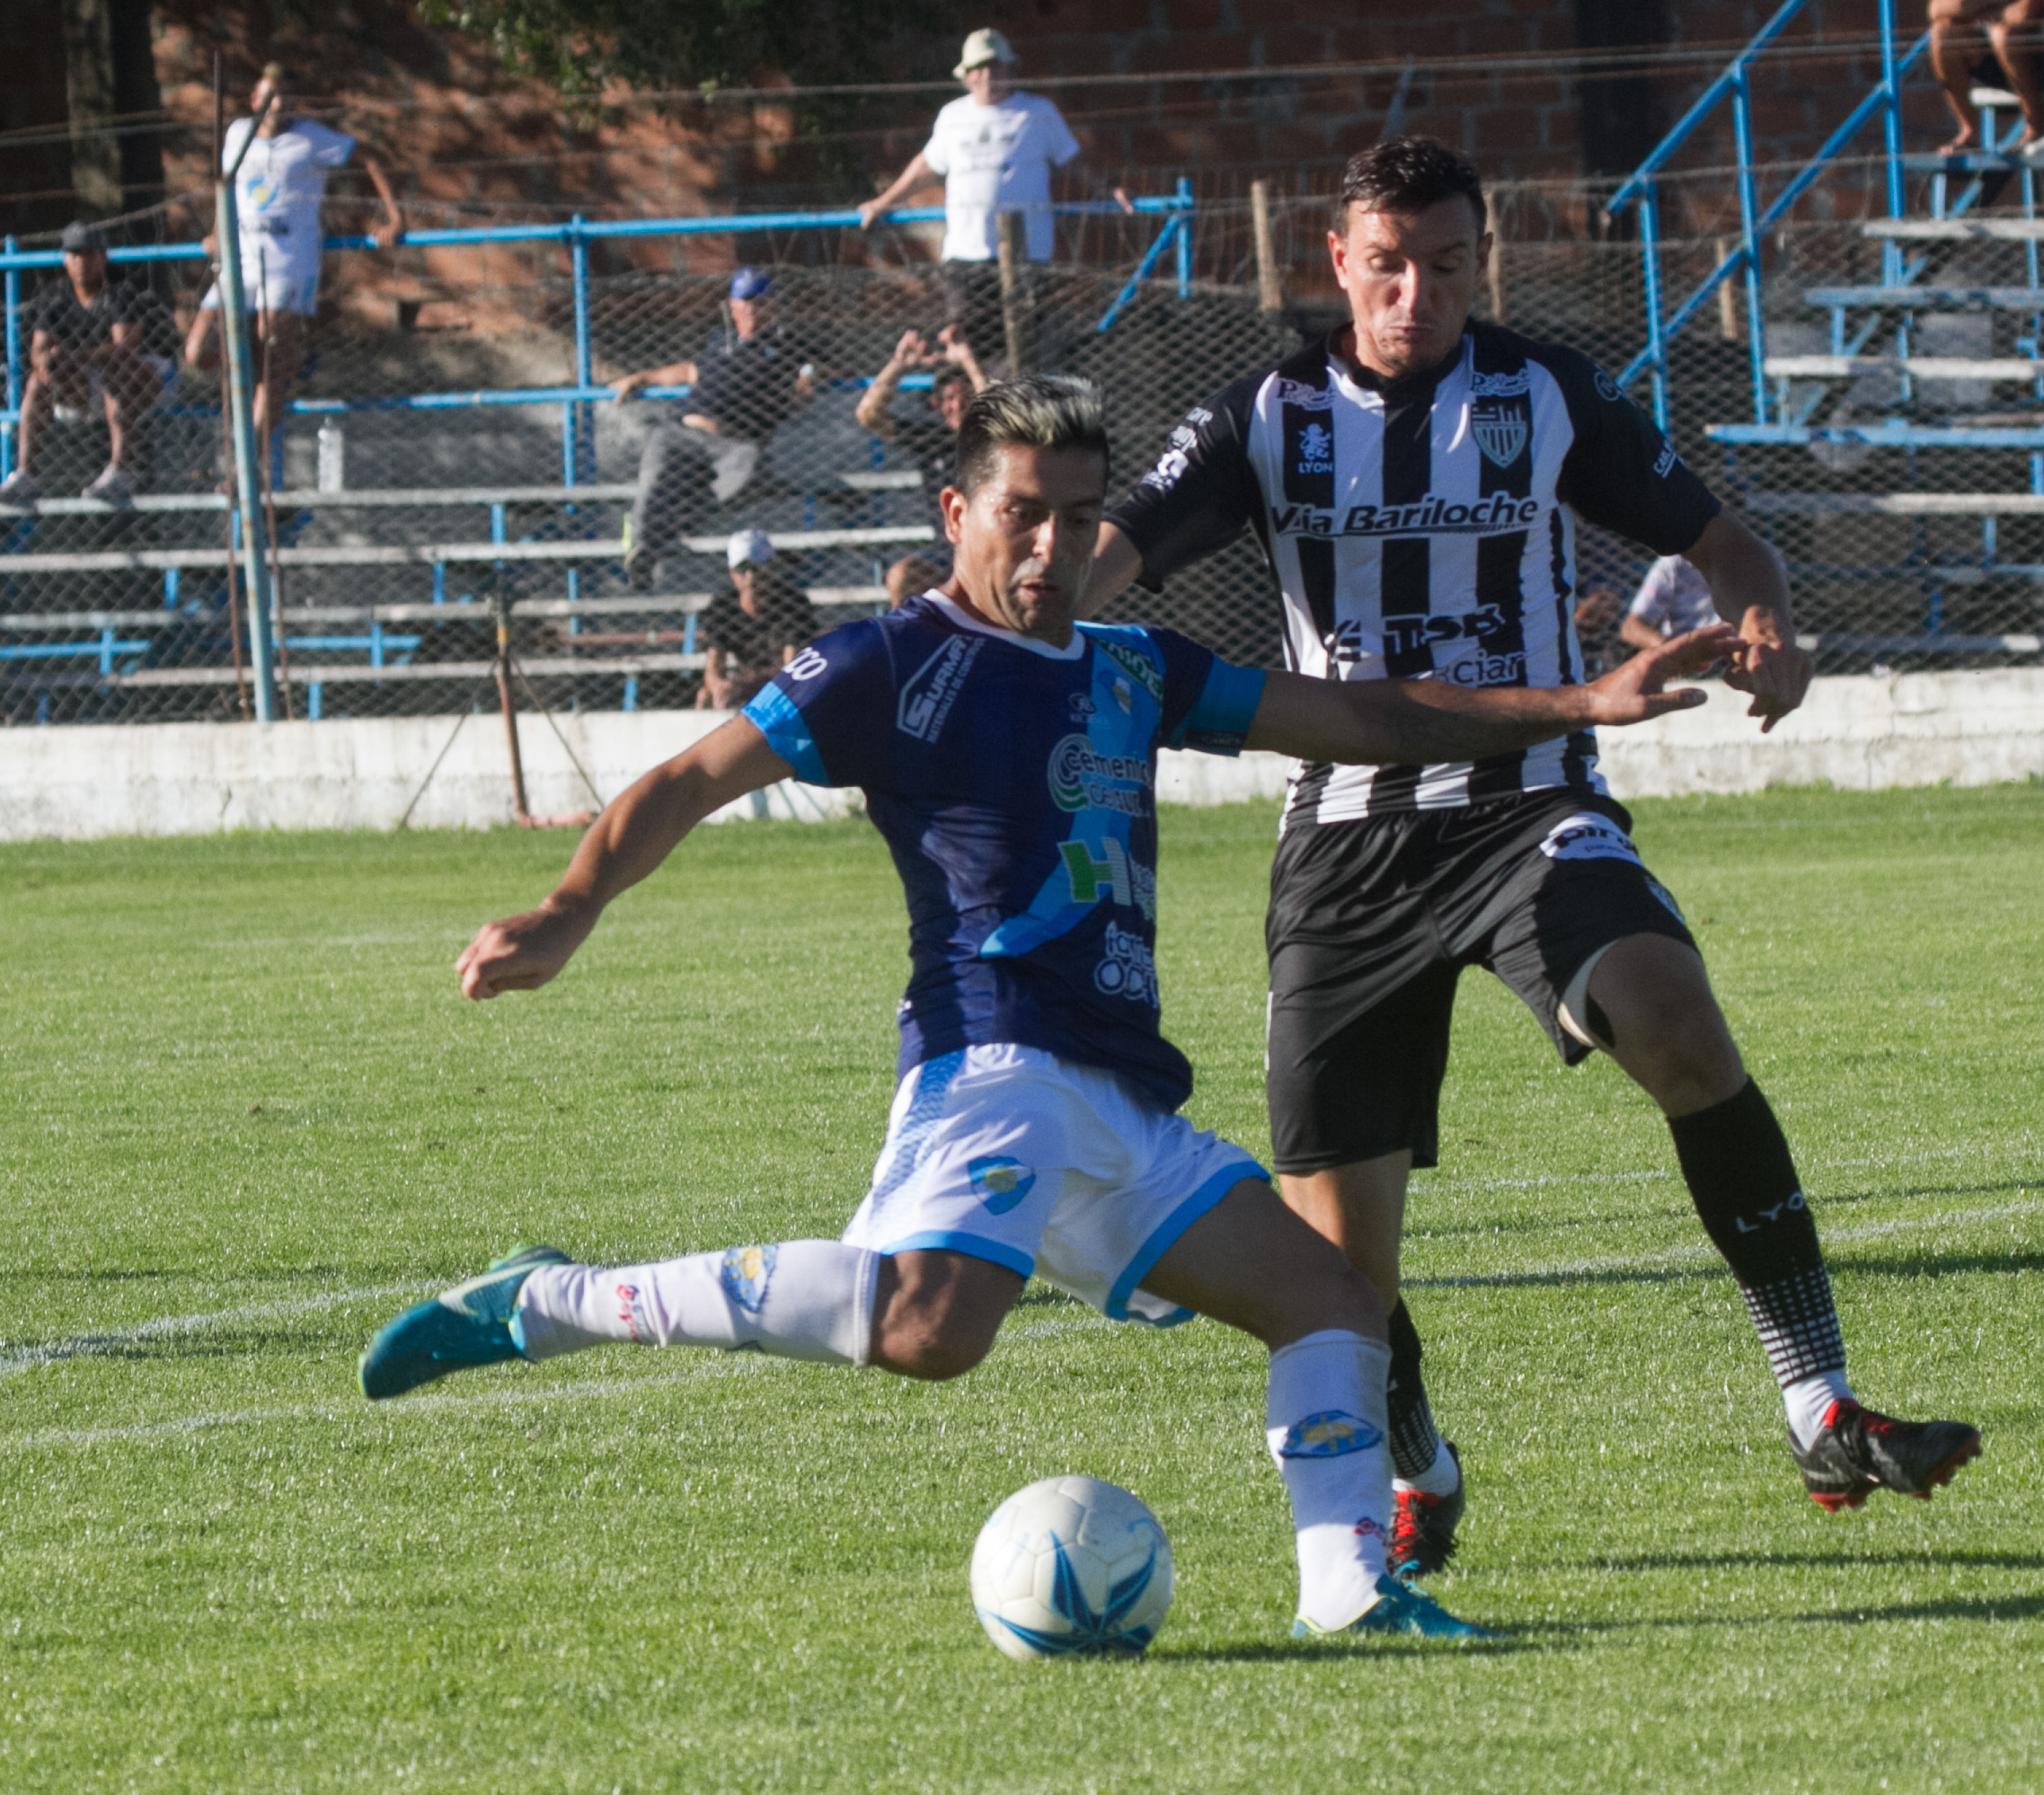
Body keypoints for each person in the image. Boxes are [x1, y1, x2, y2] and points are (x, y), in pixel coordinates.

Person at [358, 373, 1742, 1642]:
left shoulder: (1134, 667)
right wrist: (570, 906)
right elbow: (685, 778)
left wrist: (1576, 698)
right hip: (993, 1064)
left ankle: (1349, 1591)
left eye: (1080, 520)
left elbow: (1364, 719)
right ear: (957, 511)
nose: (1051, 549)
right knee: (932, 1331)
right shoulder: (888, 664)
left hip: (1126, 1103)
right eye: (1021, 515)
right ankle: (546, 1302)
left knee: (1333, 1301)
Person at [1085, 138, 1984, 1580]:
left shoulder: (1544, 394)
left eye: (1446, 265)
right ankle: (1421, 1465)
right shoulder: (1270, 412)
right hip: (1344, 848)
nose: (1417, 292)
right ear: (1339, 262)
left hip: (1530, 807)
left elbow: (1725, 537)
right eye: (1389, 264)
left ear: (1477, 262)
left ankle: (1818, 1399)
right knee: (1340, 1277)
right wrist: (1022, 609)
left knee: (1675, 1018)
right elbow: (1118, 547)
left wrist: (1770, 625)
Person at [855, 28, 1132, 367]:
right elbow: (927, 167)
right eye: (978, 67)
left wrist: (1109, 189)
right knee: (967, 349)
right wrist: (884, 203)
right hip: (966, 258)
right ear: (967, 75)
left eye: (994, 65)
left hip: (1025, 255)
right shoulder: (952, 116)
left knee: (1023, 350)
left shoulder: (1037, 112)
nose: (986, 74)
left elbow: (1072, 161)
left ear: (1009, 70)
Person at [183, 64, 405, 441]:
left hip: (288, 264)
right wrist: (217, 232)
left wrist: (396, 218)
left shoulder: (311, 139)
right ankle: (295, 358)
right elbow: (227, 185)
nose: (278, 106)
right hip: (241, 264)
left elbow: (371, 157)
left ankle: (247, 463)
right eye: (270, 97)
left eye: (286, 98)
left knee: (270, 353)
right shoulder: (237, 134)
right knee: (199, 351)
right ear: (255, 101)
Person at [606, 267, 825, 592]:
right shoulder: (719, 343)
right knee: (654, 480)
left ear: (774, 306)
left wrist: (810, 377)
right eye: (743, 302)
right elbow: (688, 371)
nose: (750, 309)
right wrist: (642, 378)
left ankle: (665, 529)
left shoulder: (787, 345)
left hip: (734, 443)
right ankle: (641, 552)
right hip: (683, 433)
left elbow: (821, 368)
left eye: (758, 302)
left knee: (743, 474)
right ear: (732, 308)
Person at [0, 223, 173, 508]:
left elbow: (125, 348)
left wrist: (73, 357)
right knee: (37, 382)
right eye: (74, 254)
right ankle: (26, 476)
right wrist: (52, 362)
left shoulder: (120, 289)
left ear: (103, 257)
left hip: (148, 379)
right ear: (65, 259)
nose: (81, 262)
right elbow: (39, 349)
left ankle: (121, 473)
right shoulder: (55, 295)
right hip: (86, 384)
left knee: (117, 373)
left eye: (89, 254)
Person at [856, 323, 989, 595]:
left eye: (965, 396)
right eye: (948, 399)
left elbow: (997, 410)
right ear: (936, 406)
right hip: (946, 551)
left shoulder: (991, 436)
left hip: (991, 547)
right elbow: (868, 414)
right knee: (901, 577)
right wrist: (899, 364)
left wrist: (966, 358)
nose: (957, 405)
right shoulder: (932, 440)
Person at [1931, 0, 2044, 153]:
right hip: (1992, 57)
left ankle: (2036, 127)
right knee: (1942, 31)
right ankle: (1970, 132)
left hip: (2041, 59)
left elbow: (2023, 15)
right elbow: (1936, 9)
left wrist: (1972, 10)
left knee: (2003, 35)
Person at [697, 530, 821, 710]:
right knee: (705, 697)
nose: (750, 576)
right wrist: (720, 687)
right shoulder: (722, 607)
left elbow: (793, 672)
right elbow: (713, 670)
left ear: (771, 567)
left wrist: (748, 685)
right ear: (732, 572)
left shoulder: (792, 604)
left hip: (784, 687)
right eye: (742, 568)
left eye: (756, 568)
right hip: (745, 682)